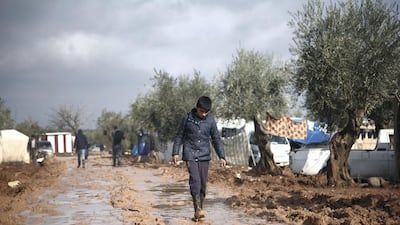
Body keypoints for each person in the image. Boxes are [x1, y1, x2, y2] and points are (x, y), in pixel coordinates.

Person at [172, 96, 226, 221]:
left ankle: (200, 208)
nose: (204, 114)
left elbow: (216, 139)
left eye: (206, 112)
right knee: (195, 181)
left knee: (202, 184)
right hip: (190, 153)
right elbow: (179, 135)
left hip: (204, 155)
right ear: (197, 108)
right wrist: (175, 152)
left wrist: (222, 156)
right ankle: (197, 208)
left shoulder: (211, 121)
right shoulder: (187, 118)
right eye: (202, 111)